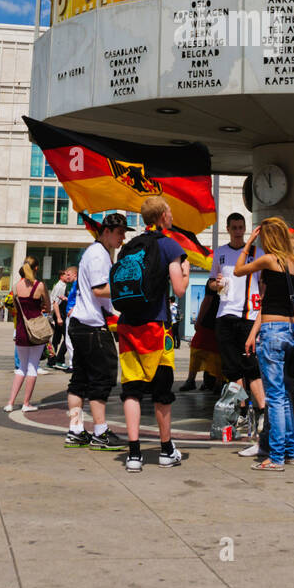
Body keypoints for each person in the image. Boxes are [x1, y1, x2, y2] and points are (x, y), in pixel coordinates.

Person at [116, 197, 188, 473]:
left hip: (128, 325)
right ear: (162, 217)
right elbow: (179, 290)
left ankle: (133, 454)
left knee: (131, 389)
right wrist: (183, 269)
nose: (171, 215)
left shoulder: (130, 247)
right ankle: (166, 450)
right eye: (169, 211)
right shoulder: (169, 245)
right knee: (161, 390)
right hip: (155, 327)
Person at [236, 217, 294, 472]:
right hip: (290, 329)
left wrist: (248, 245)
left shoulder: (269, 259)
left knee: (275, 396)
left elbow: (238, 270)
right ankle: (290, 451)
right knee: (287, 395)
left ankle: (276, 457)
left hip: (272, 331)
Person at [65, 215, 128, 450]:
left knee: (79, 380)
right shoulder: (99, 254)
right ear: (107, 231)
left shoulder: (96, 252)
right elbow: (100, 289)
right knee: (102, 377)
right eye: (120, 232)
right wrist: (127, 288)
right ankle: (100, 432)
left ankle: (76, 429)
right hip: (92, 325)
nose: (123, 237)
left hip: (82, 322)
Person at [209, 214, 265, 429]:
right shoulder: (221, 253)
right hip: (225, 314)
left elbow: (263, 285)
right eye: (234, 227)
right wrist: (217, 284)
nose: (238, 231)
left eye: (241, 227)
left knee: (251, 366)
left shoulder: (256, 253)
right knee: (232, 368)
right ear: (228, 228)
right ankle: (241, 410)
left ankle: (262, 410)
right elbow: (212, 281)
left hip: (248, 315)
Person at [3, 257, 52, 413]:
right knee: (32, 367)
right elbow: (48, 307)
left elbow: (15, 306)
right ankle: (26, 403)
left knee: (21, 368)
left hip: (21, 329)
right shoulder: (40, 286)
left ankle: (10, 402)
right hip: (36, 329)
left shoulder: (16, 286)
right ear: (36, 268)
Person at [50, 267, 76, 368]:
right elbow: (55, 303)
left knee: (58, 338)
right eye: (66, 275)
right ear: (61, 276)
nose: (67, 276)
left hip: (61, 315)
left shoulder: (63, 285)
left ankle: (53, 360)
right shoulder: (60, 286)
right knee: (66, 338)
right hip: (60, 315)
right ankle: (57, 359)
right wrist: (59, 317)